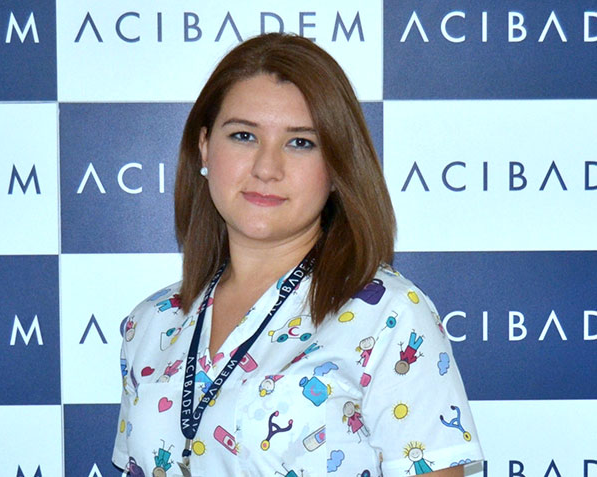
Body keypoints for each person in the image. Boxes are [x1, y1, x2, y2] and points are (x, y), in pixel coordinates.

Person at [112, 33, 483, 477]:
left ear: (338, 167)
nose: (267, 168)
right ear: (205, 146)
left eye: (301, 142)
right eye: (244, 135)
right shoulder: (151, 323)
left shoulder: (390, 317)